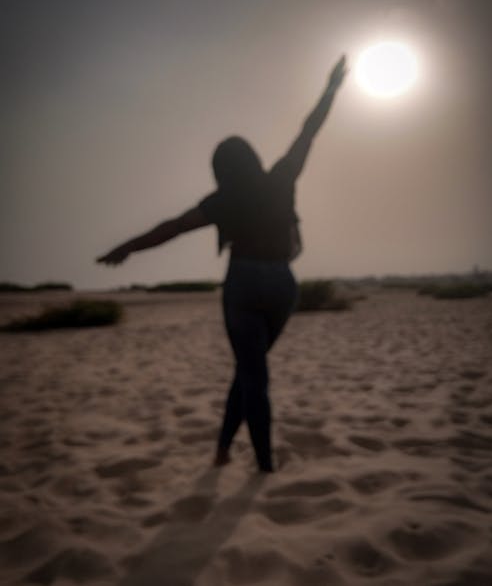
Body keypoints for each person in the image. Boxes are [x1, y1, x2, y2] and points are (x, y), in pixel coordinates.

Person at [97, 55, 347, 472]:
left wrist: (126, 248)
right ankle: (223, 449)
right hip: (282, 284)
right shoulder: (281, 178)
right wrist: (331, 89)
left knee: (253, 374)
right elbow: (309, 130)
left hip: (244, 282)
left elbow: (171, 227)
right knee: (250, 370)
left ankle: (264, 464)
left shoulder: (222, 201)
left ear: (221, 171)